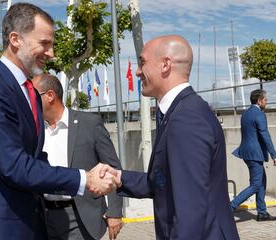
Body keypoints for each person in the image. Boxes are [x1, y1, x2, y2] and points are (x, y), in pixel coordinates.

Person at [0, 3, 117, 240]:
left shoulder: (27, 92)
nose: (51, 53)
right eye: (44, 43)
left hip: (27, 223)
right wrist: (83, 178)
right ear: (15, 39)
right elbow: (15, 166)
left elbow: (34, 159)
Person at [101, 35, 239, 239]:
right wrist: (118, 177)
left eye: (143, 62)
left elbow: (189, 211)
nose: (138, 71)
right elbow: (164, 182)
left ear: (165, 64)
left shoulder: (186, 118)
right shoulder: (179, 112)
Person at [32, 74, 123, 240]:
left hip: (79, 216)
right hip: (42, 217)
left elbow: (112, 169)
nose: (28, 100)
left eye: (32, 95)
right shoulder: (33, 129)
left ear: (50, 95)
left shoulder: (89, 124)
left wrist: (115, 212)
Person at [230, 89, 276, 221]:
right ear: (259, 100)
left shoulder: (245, 114)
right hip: (255, 154)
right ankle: (230, 207)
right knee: (256, 185)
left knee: (261, 181)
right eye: (265, 99)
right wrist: (274, 154)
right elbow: (264, 135)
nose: (266, 101)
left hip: (246, 152)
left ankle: (262, 213)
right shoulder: (259, 114)